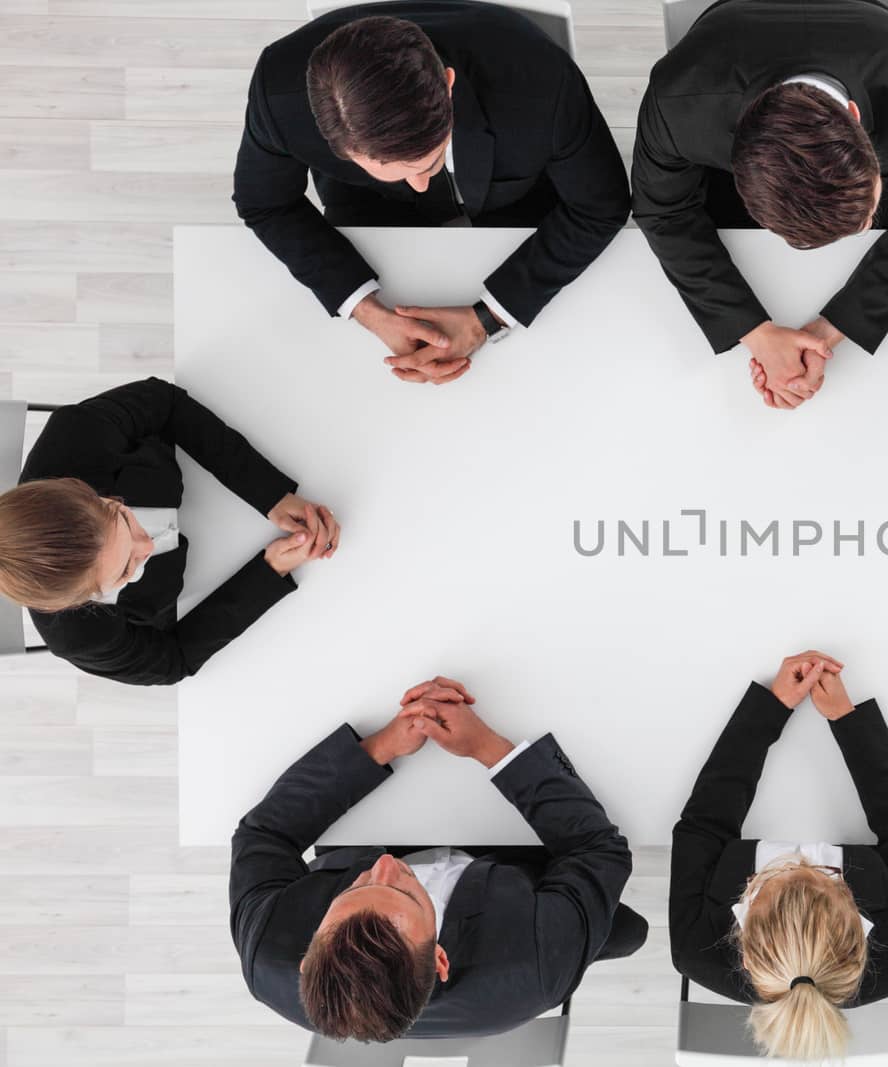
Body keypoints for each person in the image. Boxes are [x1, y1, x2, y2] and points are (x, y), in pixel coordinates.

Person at [231, 675, 647, 1040]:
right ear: (440, 958)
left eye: (356, 889)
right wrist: (487, 747)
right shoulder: (536, 959)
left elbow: (264, 833)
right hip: (516, 871)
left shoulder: (265, 950)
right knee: (626, 928)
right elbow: (596, 848)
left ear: (306, 958)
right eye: (405, 894)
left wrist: (380, 746)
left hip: (376, 825)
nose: (388, 865)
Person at [235, 2, 630, 386]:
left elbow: (600, 206)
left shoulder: (545, 86)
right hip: (369, 209)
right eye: (396, 171)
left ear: (449, 85)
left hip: (516, 201)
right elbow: (264, 202)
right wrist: (367, 310)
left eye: (429, 162)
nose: (421, 184)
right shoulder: (278, 93)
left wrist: (487, 318)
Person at [632, 0, 888, 411]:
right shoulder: (678, 102)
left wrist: (831, 330)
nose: (864, 227)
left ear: (852, 115)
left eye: (862, 219)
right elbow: (663, 211)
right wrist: (753, 330)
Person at [671, 651, 888, 1060]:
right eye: (826, 875)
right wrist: (846, 720)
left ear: (741, 942)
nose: (799, 860)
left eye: (779, 873)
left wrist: (770, 709)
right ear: (851, 907)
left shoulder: (696, 949)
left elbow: (704, 823)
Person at [0, 378, 336, 686]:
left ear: (88, 493)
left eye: (124, 517)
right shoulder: (80, 637)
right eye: (126, 570)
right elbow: (174, 659)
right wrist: (269, 571)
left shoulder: (75, 435)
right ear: (80, 602)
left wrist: (269, 493)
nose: (147, 544)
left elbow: (165, 404)